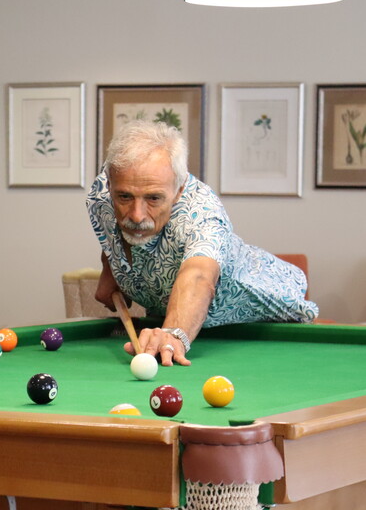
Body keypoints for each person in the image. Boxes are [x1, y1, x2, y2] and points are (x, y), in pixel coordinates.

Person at [86, 120, 318, 366]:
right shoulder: (101, 194)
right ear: (110, 184)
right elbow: (112, 227)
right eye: (124, 197)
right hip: (179, 313)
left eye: (153, 198)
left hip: (265, 312)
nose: (136, 215)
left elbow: (199, 276)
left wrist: (173, 334)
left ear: (179, 189)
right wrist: (111, 267)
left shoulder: (203, 215)